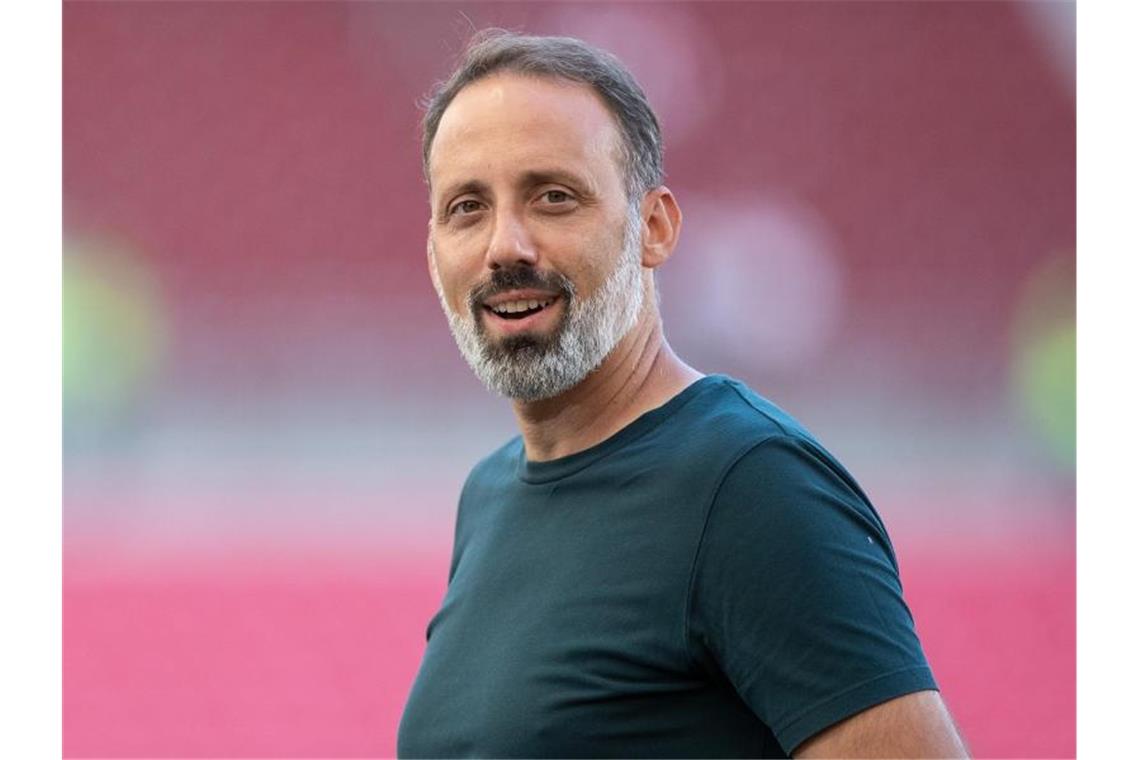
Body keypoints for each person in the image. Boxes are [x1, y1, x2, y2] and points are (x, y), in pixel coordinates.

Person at [397, 30, 969, 759]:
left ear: (655, 228)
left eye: (553, 197)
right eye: (467, 208)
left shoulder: (749, 485)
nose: (506, 245)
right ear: (433, 249)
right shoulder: (489, 496)